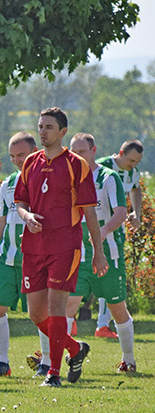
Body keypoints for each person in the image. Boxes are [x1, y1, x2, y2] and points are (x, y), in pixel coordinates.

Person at [14, 107, 108, 387]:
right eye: (40, 126)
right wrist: (27, 216)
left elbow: (90, 212)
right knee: (36, 313)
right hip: (33, 247)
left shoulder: (76, 164)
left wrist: (98, 251)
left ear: (63, 132)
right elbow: (20, 203)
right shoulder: (30, 163)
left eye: (49, 127)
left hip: (65, 246)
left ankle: (53, 373)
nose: (42, 132)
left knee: (56, 308)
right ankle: (75, 349)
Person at [67, 133, 137, 373]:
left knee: (117, 307)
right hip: (78, 253)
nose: (77, 157)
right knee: (67, 306)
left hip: (109, 252)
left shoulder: (108, 177)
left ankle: (128, 359)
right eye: (73, 152)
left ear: (94, 150)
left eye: (82, 152)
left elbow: (120, 211)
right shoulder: (67, 178)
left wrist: (103, 231)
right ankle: (59, 359)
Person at [0, 132, 49, 377]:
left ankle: (46, 362)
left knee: (40, 313)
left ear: (35, 151)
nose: (16, 160)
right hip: (7, 258)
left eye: (21, 155)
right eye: (12, 156)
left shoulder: (46, 180)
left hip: (34, 258)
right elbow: (0, 221)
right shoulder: (8, 183)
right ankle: (1, 362)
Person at [94, 139, 144, 338]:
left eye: (137, 162)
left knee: (108, 275)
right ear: (121, 152)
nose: (133, 165)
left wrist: (136, 213)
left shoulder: (132, 172)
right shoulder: (103, 166)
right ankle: (100, 324)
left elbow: (136, 189)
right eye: (131, 160)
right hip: (97, 230)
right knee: (101, 275)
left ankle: (103, 324)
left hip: (117, 232)